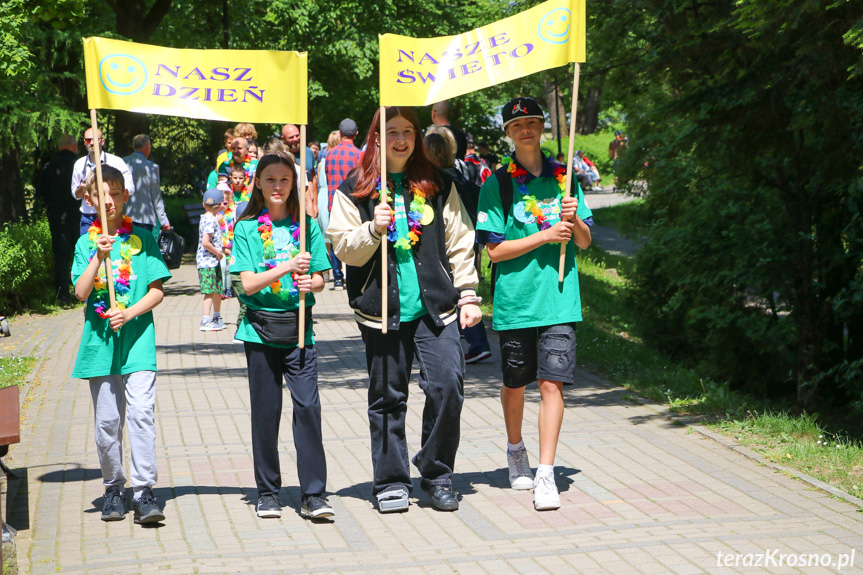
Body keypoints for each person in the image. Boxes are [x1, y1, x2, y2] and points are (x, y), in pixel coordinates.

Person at [328, 106, 481, 514]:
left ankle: (436, 472)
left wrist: (468, 294)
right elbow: (343, 248)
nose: (400, 139)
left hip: (438, 309)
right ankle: (391, 481)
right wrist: (372, 228)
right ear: (375, 138)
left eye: (408, 131)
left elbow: (460, 239)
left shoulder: (436, 184)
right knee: (387, 398)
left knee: (448, 386)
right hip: (382, 312)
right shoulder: (353, 190)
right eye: (391, 131)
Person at [476, 97, 594, 511]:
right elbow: (494, 251)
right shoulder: (498, 183)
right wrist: (545, 235)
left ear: (543, 127)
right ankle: (514, 449)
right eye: (517, 124)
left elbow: (583, 240)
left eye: (532, 122)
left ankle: (546, 473)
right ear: (508, 132)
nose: (525, 129)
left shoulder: (566, 179)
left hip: (560, 300)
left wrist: (573, 217)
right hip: (516, 303)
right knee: (514, 384)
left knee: (551, 383)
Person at [232, 152, 334, 520]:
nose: (278, 186)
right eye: (270, 179)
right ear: (258, 183)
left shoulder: (307, 227)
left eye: (285, 180)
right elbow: (246, 284)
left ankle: (314, 494)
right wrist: (287, 267)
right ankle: (268, 492)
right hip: (259, 331)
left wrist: (313, 281)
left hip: (300, 330)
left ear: (294, 185)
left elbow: (323, 277)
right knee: (266, 412)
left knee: (308, 407)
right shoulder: (245, 229)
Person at [71, 165, 171, 524]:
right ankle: (114, 486)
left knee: (142, 414)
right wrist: (98, 255)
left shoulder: (141, 239)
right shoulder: (86, 243)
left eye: (116, 193)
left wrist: (129, 314)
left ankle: (145, 491)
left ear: (126, 196)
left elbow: (158, 290)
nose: (109, 200)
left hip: (137, 342)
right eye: (102, 194)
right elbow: (81, 292)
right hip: (100, 346)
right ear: (89, 199)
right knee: (107, 423)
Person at [423, 132, 491, 365]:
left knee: (459, 291)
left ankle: (477, 342)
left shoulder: (439, 181)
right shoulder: (459, 175)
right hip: (470, 238)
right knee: (463, 289)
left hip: (453, 244)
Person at [36, 134, 80, 303]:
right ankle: (84, 293)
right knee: (82, 254)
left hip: (58, 218)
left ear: (59, 147)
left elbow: (42, 191)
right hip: (78, 216)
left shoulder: (50, 165)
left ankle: (62, 296)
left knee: (61, 258)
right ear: (75, 147)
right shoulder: (80, 164)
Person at [71, 128, 135, 235]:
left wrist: (112, 189)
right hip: (89, 217)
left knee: (115, 248)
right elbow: (76, 195)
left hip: (111, 215)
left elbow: (130, 188)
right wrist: (82, 188)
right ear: (84, 142)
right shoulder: (79, 164)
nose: (91, 143)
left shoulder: (116, 161)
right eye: (88, 140)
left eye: (95, 140)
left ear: (102, 141)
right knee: (89, 249)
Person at [324, 118, 363, 290]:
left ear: (339, 134)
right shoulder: (358, 155)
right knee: (354, 238)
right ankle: (352, 274)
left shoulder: (329, 154)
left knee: (335, 239)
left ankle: (337, 276)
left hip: (333, 202)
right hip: (352, 203)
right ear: (356, 134)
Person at [123, 134, 171, 235]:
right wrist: (163, 220)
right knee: (144, 248)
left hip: (124, 216)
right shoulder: (152, 167)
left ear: (133, 146)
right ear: (147, 146)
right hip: (145, 219)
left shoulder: (122, 163)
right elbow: (156, 195)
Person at [197, 189, 227, 332]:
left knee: (216, 290)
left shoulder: (207, 218)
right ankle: (205, 320)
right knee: (209, 291)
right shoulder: (210, 220)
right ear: (221, 205)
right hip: (208, 261)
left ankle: (216, 317)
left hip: (211, 262)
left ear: (204, 204)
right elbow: (205, 242)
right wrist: (218, 253)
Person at [218, 137, 258, 202]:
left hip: (251, 201)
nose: (236, 151)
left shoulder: (255, 163)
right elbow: (222, 185)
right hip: (230, 202)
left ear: (247, 150)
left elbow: (258, 179)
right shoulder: (225, 165)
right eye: (233, 148)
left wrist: (251, 185)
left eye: (239, 148)